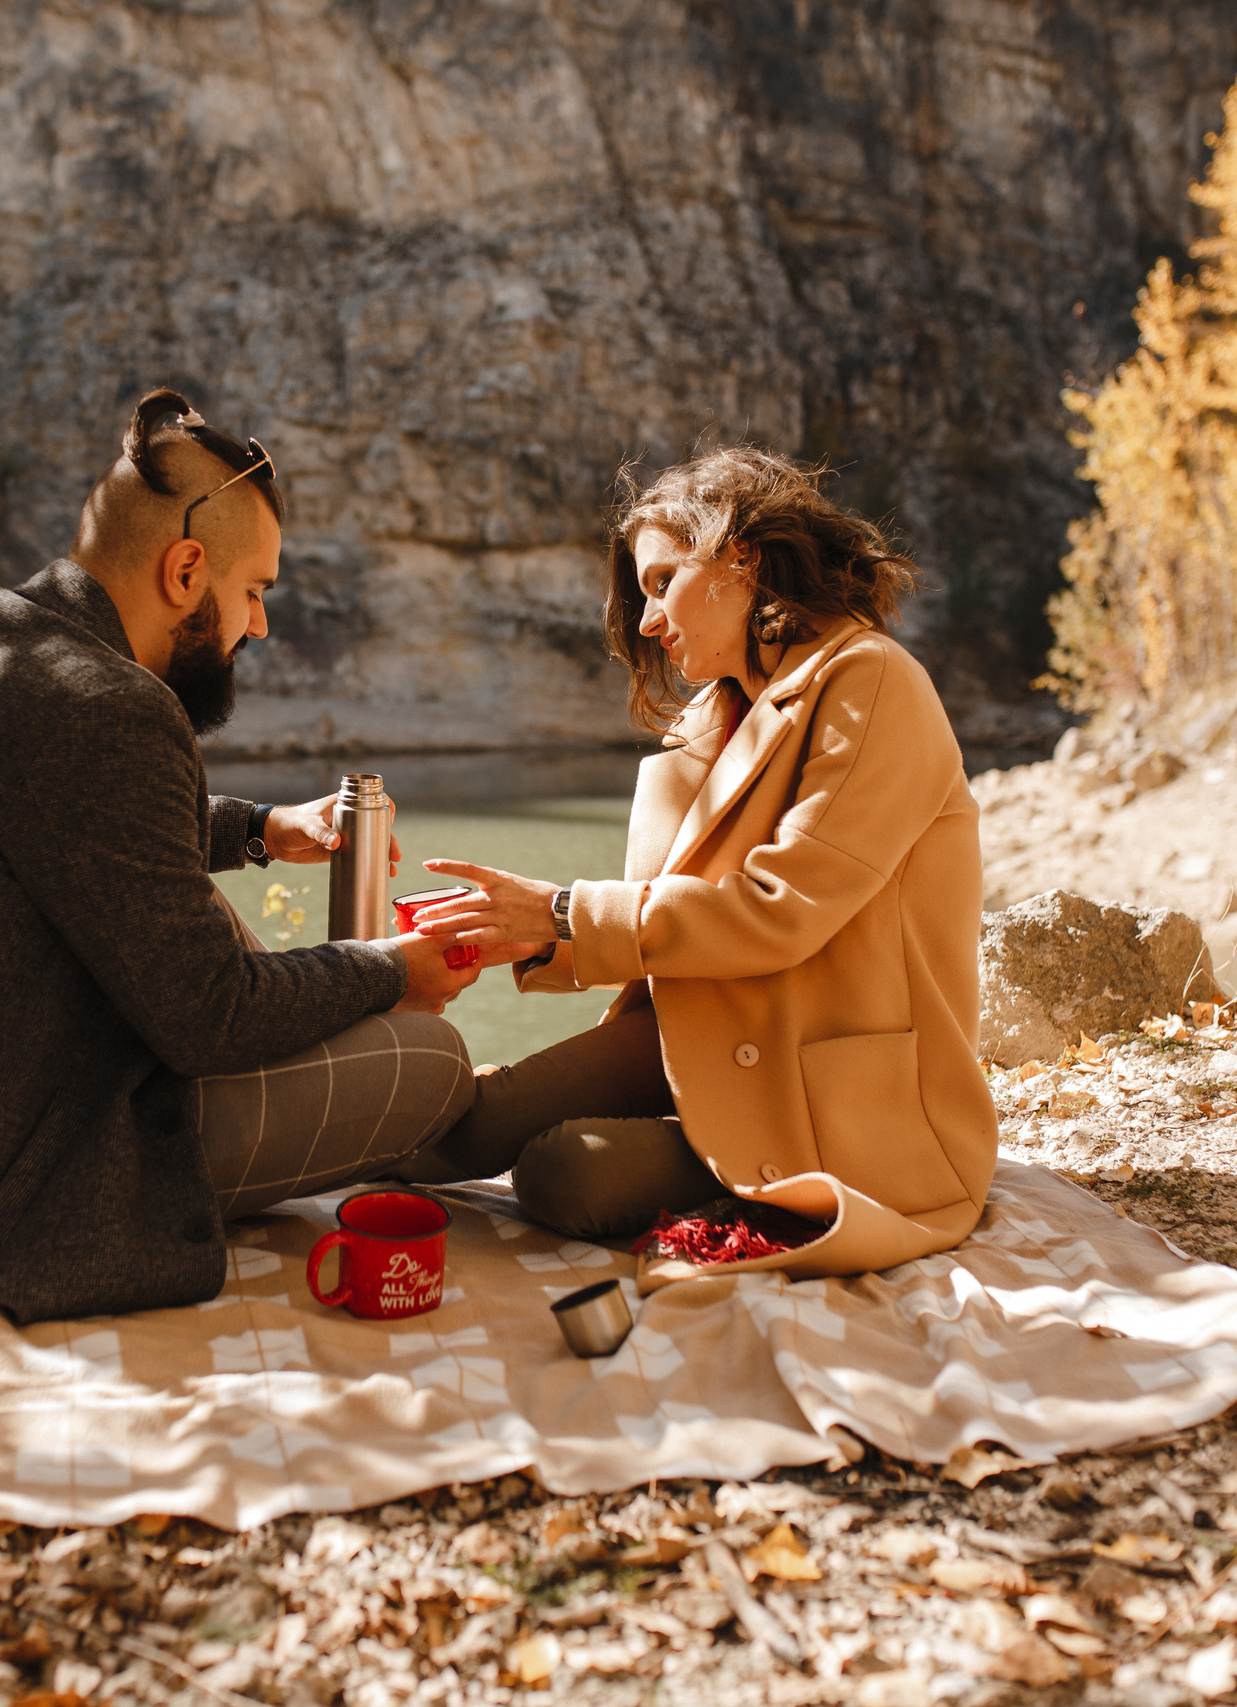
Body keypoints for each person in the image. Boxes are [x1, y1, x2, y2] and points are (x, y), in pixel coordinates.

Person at [0, 389, 484, 1323]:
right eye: (252, 592)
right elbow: (209, 1016)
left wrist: (256, 829)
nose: (257, 626)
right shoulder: (112, 706)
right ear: (184, 569)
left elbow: (64, 826)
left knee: (219, 929)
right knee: (433, 1062)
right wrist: (393, 971)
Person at [404, 446, 997, 1280]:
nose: (646, 622)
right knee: (459, 1118)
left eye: (659, 583)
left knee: (563, 1169)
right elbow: (662, 927)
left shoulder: (874, 684)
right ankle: (245, 1149)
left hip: (839, 1104)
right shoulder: (707, 723)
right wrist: (523, 936)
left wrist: (566, 909)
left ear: (739, 556)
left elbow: (776, 910)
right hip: (697, 1040)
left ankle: (743, 1193)